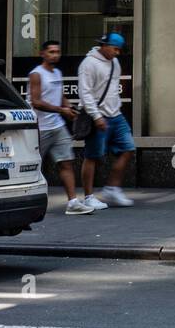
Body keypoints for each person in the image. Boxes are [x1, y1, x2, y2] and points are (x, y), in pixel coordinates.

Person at [29, 40, 92, 215]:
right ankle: (29, 202)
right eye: (51, 52)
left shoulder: (57, 72)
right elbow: (36, 102)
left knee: (66, 162)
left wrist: (69, 107)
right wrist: (61, 110)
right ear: (43, 54)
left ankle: (72, 202)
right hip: (40, 128)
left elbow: (60, 95)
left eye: (57, 51)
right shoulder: (36, 74)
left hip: (57, 126)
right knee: (33, 166)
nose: (55, 55)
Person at [78, 32, 136, 210]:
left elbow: (112, 89)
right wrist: (96, 116)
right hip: (97, 115)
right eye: (114, 48)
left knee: (128, 148)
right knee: (92, 156)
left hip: (115, 115)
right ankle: (88, 197)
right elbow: (85, 93)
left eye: (119, 50)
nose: (117, 53)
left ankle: (112, 188)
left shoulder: (114, 63)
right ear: (104, 45)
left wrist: (115, 107)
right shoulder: (88, 64)